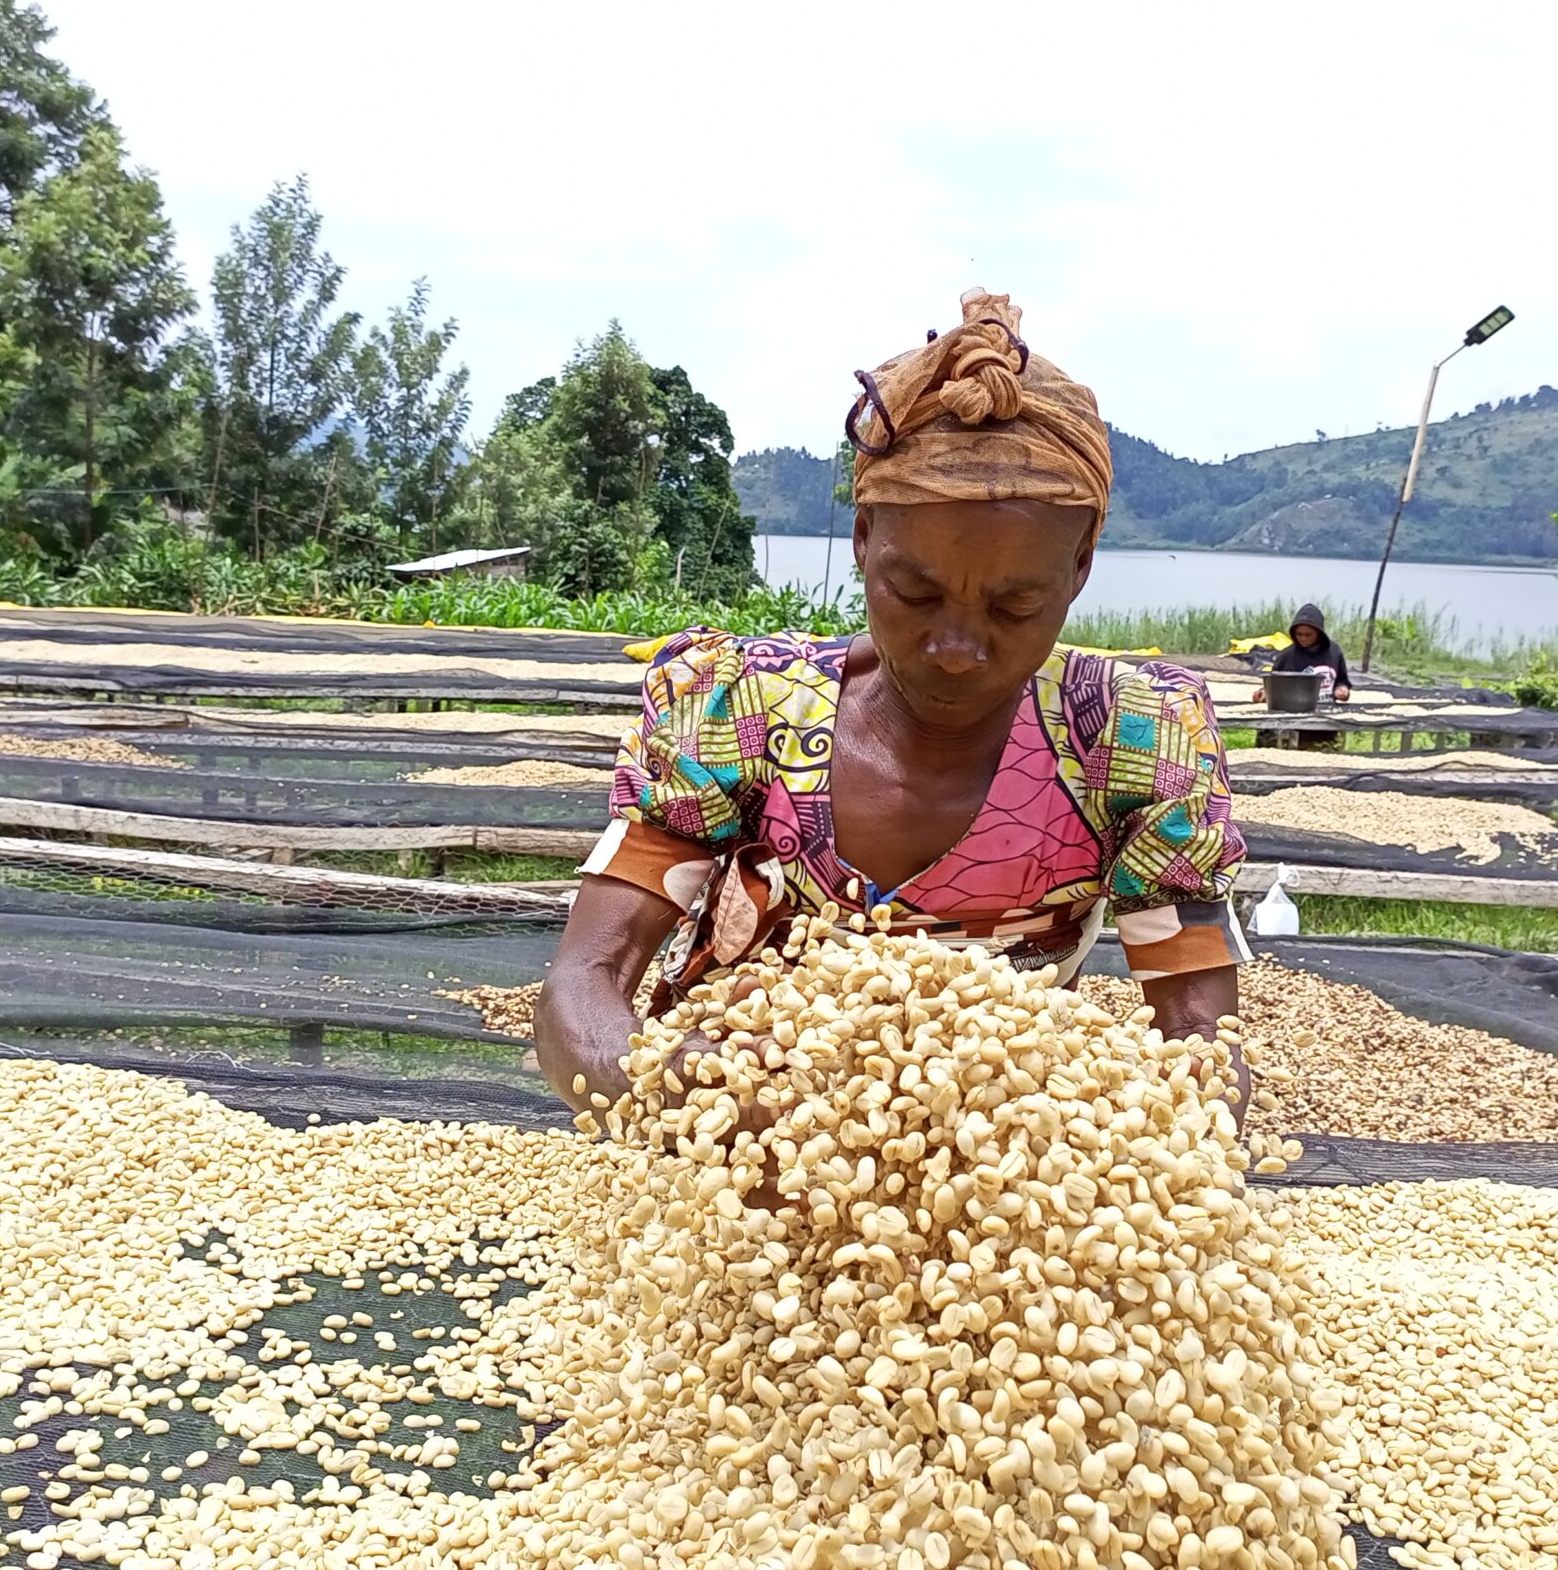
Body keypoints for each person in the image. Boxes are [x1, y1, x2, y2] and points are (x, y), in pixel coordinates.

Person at [535, 289, 1251, 1128]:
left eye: (1015, 607)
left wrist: (1165, 1145)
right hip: (723, 1162)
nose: (957, 647)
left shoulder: (1134, 743)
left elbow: (1200, 1034)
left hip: (995, 1152)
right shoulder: (737, 706)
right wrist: (670, 1088)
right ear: (864, 539)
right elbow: (582, 987)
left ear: (1082, 566)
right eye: (915, 592)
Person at [1258, 604, 1352, 703]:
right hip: (1295, 709)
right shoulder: (1286, 656)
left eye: (1308, 635)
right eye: (1299, 634)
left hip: (1328, 711)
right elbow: (1273, 685)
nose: (1303, 638)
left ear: (1319, 633)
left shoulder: (1334, 652)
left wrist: (1342, 690)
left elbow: (1342, 681)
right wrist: (1263, 693)